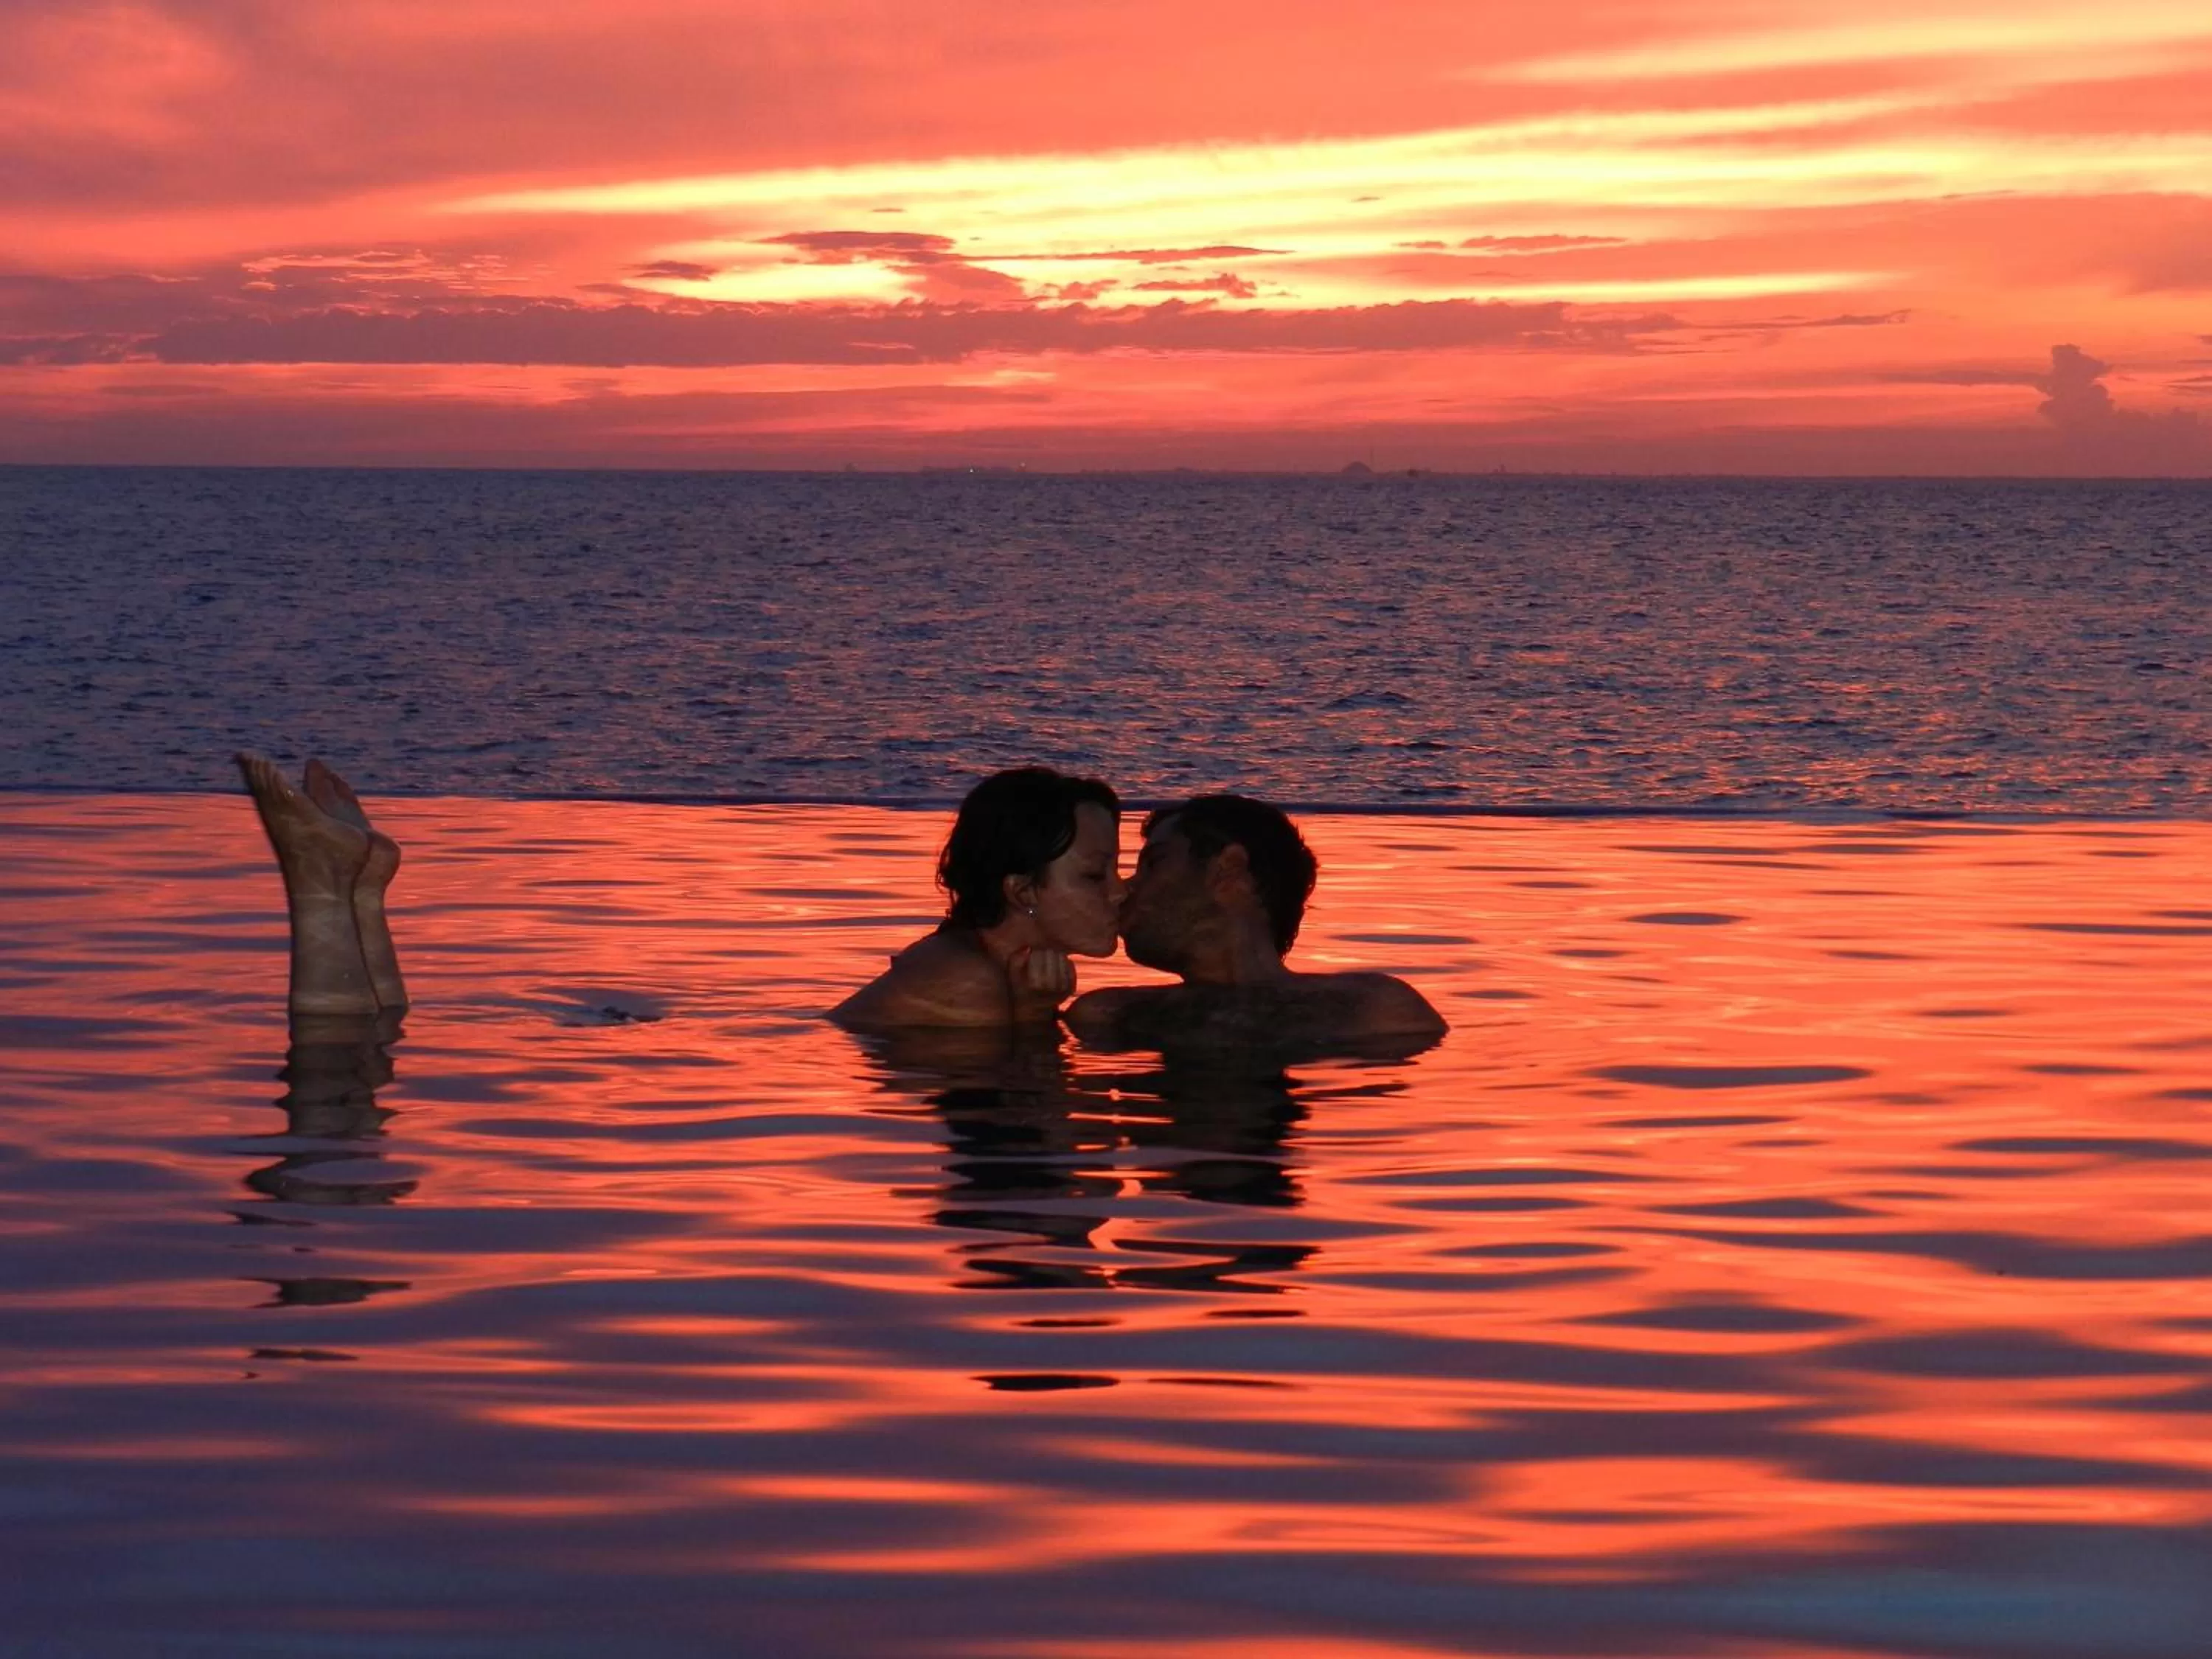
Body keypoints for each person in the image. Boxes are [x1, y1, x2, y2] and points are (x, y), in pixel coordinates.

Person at [1065, 793, 1446, 1051]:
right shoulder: (1104, 1012)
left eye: (1153, 864)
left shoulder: (1377, 1007)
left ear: (1229, 872)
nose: (1124, 890)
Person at [830, 766, 1124, 1030]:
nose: (1121, 892)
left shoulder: (985, 964)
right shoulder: (968, 978)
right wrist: (1032, 1013)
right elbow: (1017, 1086)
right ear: (1022, 892)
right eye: (1096, 875)